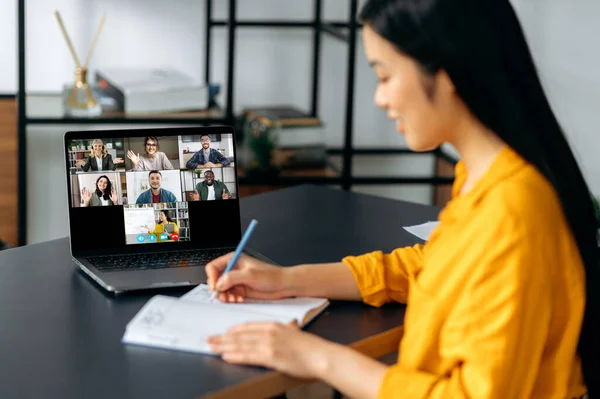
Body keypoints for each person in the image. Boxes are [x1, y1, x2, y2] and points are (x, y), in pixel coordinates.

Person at [203, 1, 599, 398]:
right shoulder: (485, 177)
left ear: (445, 74)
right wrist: (286, 280)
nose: (379, 97)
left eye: (385, 75)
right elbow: (427, 267)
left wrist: (318, 358)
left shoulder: (513, 211)